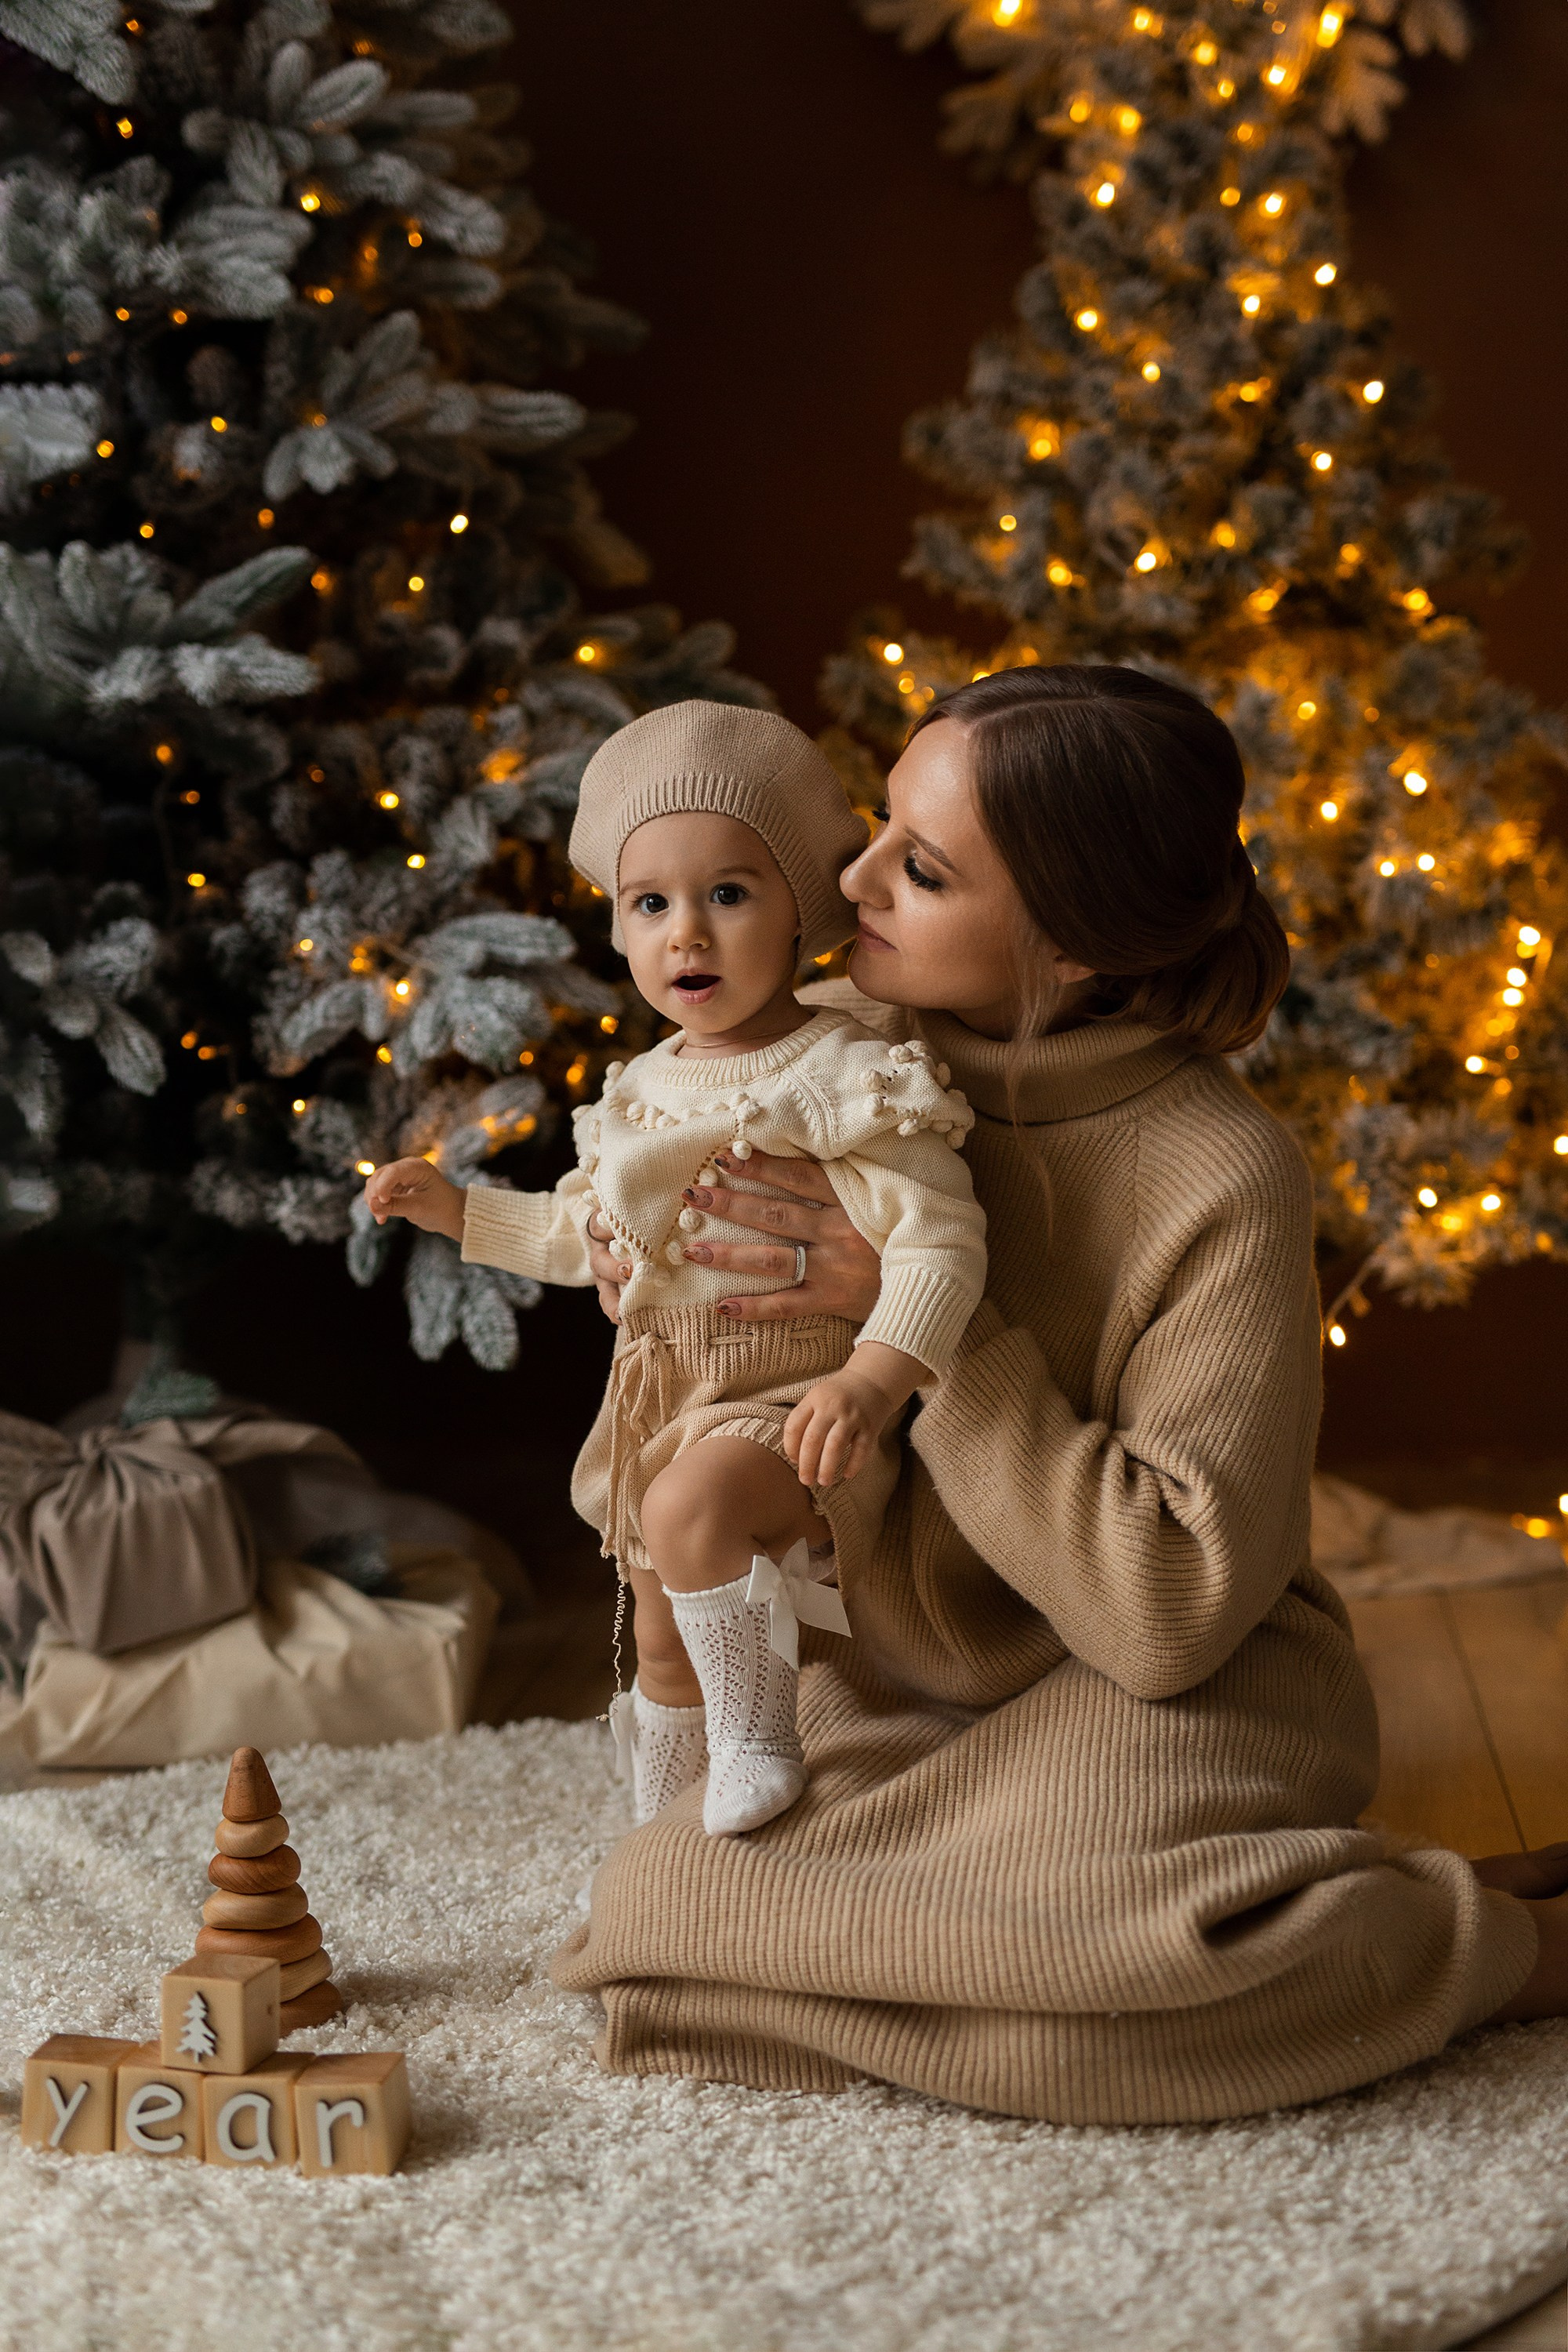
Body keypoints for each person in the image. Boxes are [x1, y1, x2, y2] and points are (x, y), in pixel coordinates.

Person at [551, 661, 1563, 2128]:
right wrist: (644, 1262)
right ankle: (1295, 1913)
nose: (853, 875)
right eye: (881, 828)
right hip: (910, 1669)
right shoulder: (823, 1051)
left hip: (1170, 1686)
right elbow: (669, 1256)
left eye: (924, 865)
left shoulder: (1220, 1174)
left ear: (1076, 948)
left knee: (1101, 2005)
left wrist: (918, 1323)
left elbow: (1170, 1615)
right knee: (655, 1928)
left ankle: (1489, 1947)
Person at [364, 701, 985, 1838]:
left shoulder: (847, 1074)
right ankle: (668, 1807)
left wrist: (874, 1381)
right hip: (666, 1400)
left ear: (802, 910)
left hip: (800, 1402)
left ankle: (760, 1736)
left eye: (729, 895)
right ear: (619, 929)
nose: (686, 935)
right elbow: (580, 1232)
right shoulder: (641, 1093)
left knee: (697, 1508)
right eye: (652, 904)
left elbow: (940, 1243)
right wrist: (460, 1213)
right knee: (655, 1624)